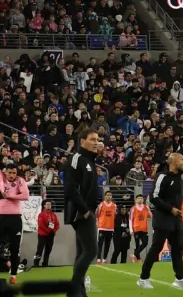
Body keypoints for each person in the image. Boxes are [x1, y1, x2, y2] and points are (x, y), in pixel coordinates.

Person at [138, 151, 183, 289]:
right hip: (163, 217)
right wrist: (170, 208)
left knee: (178, 248)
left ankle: (180, 278)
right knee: (157, 247)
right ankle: (143, 278)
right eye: (182, 159)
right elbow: (153, 197)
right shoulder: (162, 176)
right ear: (173, 162)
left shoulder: (180, 173)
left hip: (176, 218)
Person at [63, 126, 104, 297]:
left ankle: (80, 292)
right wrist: (84, 210)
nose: (96, 142)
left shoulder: (89, 160)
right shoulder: (76, 158)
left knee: (81, 253)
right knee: (91, 251)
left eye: (98, 139)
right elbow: (70, 187)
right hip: (81, 212)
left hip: (87, 210)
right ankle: (73, 291)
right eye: (92, 139)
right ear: (82, 141)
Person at [1, 161, 26, 284]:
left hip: (15, 218)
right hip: (1, 217)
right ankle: (6, 263)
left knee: (15, 248)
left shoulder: (20, 181)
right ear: (5, 172)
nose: (12, 175)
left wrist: (10, 196)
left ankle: (13, 276)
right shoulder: (1, 180)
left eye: (14, 173)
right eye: (9, 172)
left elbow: (25, 196)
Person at [34, 199, 58, 269]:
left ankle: (45, 263)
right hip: (42, 235)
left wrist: (54, 231)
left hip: (51, 235)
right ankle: (36, 264)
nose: (49, 206)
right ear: (44, 206)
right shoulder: (41, 214)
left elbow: (57, 224)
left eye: (50, 204)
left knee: (48, 250)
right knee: (39, 250)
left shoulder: (53, 215)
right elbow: (41, 225)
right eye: (47, 204)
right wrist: (48, 231)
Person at [130, 196, 151, 262]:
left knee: (145, 243)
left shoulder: (146, 207)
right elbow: (130, 219)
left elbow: (150, 215)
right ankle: (138, 258)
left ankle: (134, 255)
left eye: (141, 198)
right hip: (136, 228)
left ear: (143, 199)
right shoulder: (133, 208)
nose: (140, 199)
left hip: (144, 228)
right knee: (137, 244)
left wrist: (149, 209)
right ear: (136, 199)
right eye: (138, 198)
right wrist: (131, 230)